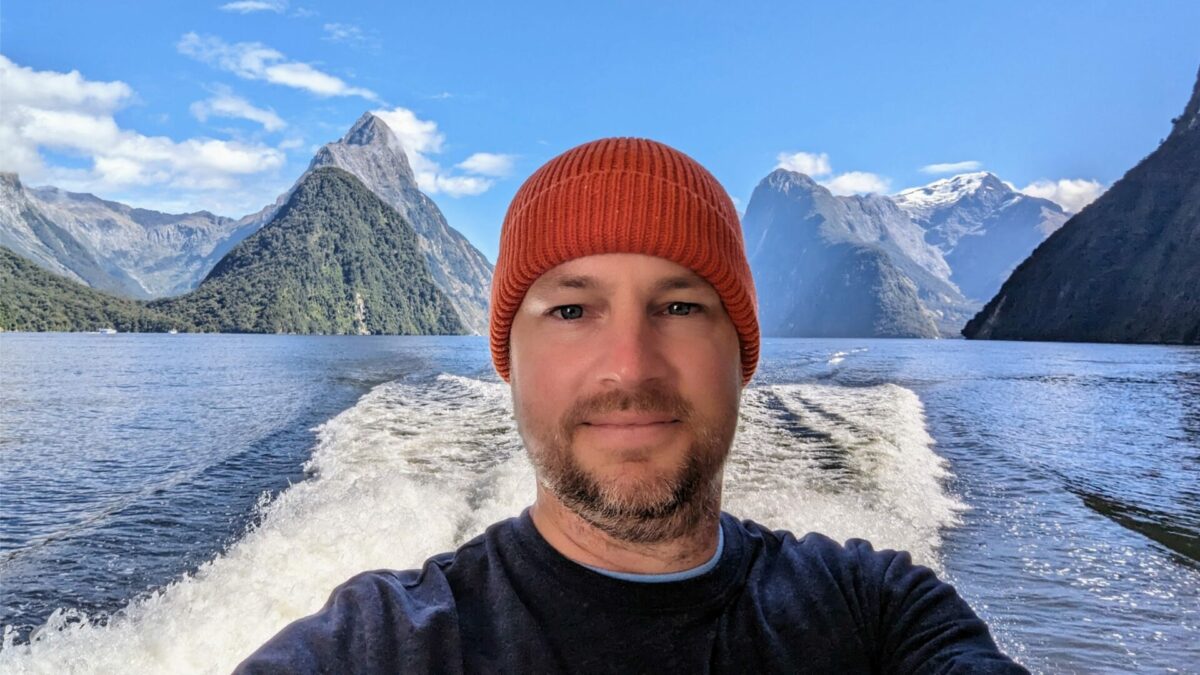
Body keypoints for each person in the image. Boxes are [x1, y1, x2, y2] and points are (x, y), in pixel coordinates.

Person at [235, 137, 1027, 674]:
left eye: (680, 307)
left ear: (741, 355)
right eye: (572, 311)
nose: (629, 366)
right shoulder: (378, 645)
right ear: (507, 360)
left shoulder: (878, 614)